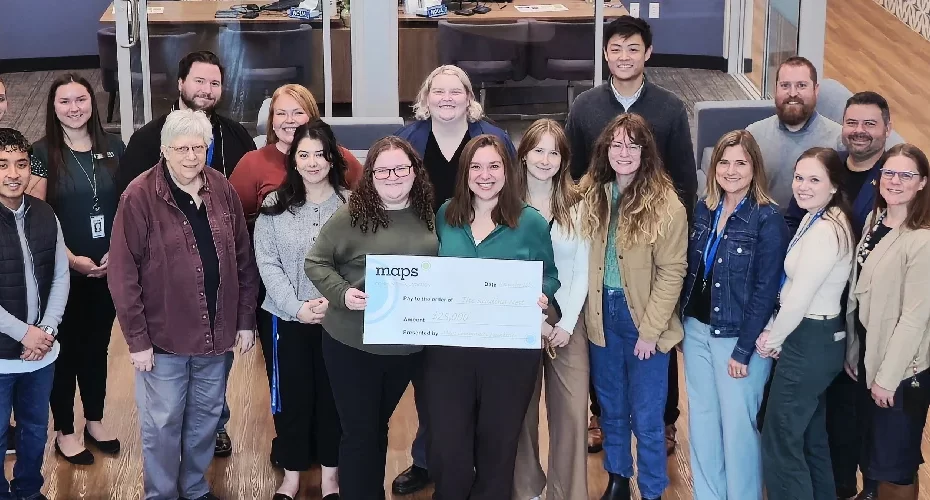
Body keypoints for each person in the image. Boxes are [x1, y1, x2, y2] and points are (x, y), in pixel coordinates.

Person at [108, 109, 260, 500]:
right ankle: (161, 494)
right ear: (164, 150)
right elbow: (123, 275)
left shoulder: (221, 188)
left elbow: (243, 257)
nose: (192, 156)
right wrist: (138, 341)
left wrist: (245, 320)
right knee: (163, 423)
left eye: (199, 147)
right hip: (164, 338)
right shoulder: (139, 196)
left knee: (205, 420)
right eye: (182, 148)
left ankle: (193, 488)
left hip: (217, 333)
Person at [565, 17, 695, 451]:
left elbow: (683, 179)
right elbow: (576, 171)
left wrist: (677, 239)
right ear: (605, 54)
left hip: (654, 236)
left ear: (648, 53)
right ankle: (601, 415)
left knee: (656, 328)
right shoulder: (585, 106)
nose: (624, 57)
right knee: (601, 334)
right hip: (602, 231)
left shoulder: (671, 108)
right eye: (616, 49)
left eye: (633, 49)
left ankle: (665, 419)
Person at [392, 64, 518, 495]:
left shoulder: (495, 139)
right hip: (428, 265)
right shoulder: (410, 139)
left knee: (480, 375)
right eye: (437, 92)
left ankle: (477, 464)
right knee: (433, 377)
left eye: (455, 91)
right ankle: (429, 460)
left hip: (483, 262)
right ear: (425, 98)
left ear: (470, 97)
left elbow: (511, 196)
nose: (446, 99)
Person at [425, 134, 558, 500]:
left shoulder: (530, 222)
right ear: (465, 172)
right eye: (477, 167)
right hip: (451, 352)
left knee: (498, 450)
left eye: (494, 166)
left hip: (509, 353)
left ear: (508, 171)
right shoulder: (446, 215)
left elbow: (549, 273)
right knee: (449, 447)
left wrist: (543, 293)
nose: (485, 175)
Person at [304, 136, 438, 500]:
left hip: (407, 346)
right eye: (383, 170)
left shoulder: (430, 212)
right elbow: (316, 262)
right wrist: (343, 294)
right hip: (352, 343)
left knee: (378, 426)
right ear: (371, 174)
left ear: (414, 172)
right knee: (361, 433)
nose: (393, 176)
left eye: (401, 168)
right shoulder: (351, 215)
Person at [784, 91, 894, 500]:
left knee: (858, 418)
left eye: (869, 124)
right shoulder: (828, 168)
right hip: (819, 315)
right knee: (821, 417)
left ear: (886, 125)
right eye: (852, 123)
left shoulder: (893, 177)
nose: (859, 132)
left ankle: (856, 487)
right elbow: (795, 222)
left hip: (868, 319)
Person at [577, 113, 688, 500]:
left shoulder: (667, 205)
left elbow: (672, 273)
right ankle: (618, 479)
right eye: (616, 144)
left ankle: (653, 488)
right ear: (605, 149)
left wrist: (651, 331)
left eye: (632, 145)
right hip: (599, 316)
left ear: (646, 152)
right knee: (610, 407)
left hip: (643, 319)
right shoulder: (590, 193)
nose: (623, 153)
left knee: (647, 415)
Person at [679, 130, 788, 500]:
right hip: (695, 331)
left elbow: (766, 291)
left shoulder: (768, 219)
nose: (731, 170)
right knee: (704, 426)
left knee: (739, 432)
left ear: (755, 167)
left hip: (737, 340)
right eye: (724, 162)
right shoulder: (704, 208)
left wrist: (744, 350)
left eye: (741, 162)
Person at [25, 73, 124, 466]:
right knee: (63, 352)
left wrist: (118, 251)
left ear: (92, 102)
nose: (74, 108)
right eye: (64, 101)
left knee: (97, 348)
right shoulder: (40, 152)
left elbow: (129, 207)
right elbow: (36, 215)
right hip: (61, 272)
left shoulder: (115, 147)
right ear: (53, 107)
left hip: (107, 269)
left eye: (80, 99)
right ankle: (65, 430)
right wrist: (69, 258)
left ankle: (95, 420)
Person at [253, 121, 348, 500]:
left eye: (320, 154)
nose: (312, 163)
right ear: (293, 159)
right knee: (292, 399)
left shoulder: (351, 204)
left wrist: (333, 300)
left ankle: (330, 478)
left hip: (338, 320)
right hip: (285, 320)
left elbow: (359, 262)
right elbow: (268, 262)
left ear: (332, 157)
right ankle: (291, 476)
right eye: (303, 155)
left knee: (332, 398)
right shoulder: (274, 206)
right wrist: (295, 307)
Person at [757, 147, 855, 500]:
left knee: (779, 438)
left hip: (809, 337)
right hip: (816, 337)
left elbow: (800, 297)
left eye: (815, 179)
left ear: (833, 186)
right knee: (810, 435)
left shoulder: (826, 230)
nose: (802, 186)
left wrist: (773, 338)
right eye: (799, 177)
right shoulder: (817, 217)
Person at [512, 119, 590, 500]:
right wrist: (534, 322)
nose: (545, 159)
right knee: (519, 414)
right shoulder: (503, 202)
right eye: (538, 150)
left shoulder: (579, 205)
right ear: (523, 154)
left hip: (566, 322)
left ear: (564, 159)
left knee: (573, 414)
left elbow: (581, 268)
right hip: (516, 319)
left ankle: (566, 493)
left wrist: (566, 324)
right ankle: (527, 490)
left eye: (554, 152)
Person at [846, 144, 930, 500]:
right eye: (889, 173)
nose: (894, 181)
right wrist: (854, 350)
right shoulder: (874, 221)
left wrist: (887, 379)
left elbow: (914, 319)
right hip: (869, 354)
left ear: (922, 183)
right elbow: (860, 294)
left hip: (900, 371)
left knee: (895, 465)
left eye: (906, 175)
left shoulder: (922, 240)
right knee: (873, 457)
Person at [0, 127, 70, 500]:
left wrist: (46, 330)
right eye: (3, 165)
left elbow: (60, 275)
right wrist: (23, 333)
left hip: (41, 354)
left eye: (21, 164)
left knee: (34, 429)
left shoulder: (45, 213)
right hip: (1, 357)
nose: (13, 173)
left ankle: (28, 491)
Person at [116, 50, 255, 189]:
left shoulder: (238, 136)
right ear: (180, 83)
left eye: (214, 83)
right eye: (199, 81)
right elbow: (128, 200)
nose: (207, 90)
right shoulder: (145, 141)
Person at [230, 83, 363, 223]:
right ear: (272, 121)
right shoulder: (252, 163)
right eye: (281, 113)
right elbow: (231, 218)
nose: (289, 120)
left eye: (298, 113)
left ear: (312, 118)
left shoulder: (337, 156)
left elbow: (368, 199)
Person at [745, 56, 842, 210]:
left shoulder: (838, 140)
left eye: (801, 85)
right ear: (775, 88)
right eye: (785, 85)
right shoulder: (753, 134)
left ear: (816, 90)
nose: (792, 93)